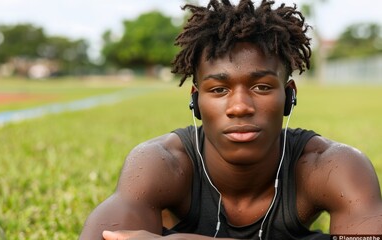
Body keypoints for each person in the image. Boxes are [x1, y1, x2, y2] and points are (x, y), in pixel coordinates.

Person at [80, 0, 382, 239]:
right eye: (219, 89)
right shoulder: (160, 163)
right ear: (196, 100)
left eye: (261, 87)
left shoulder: (333, 166)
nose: (239, 107)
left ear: (289, 96)